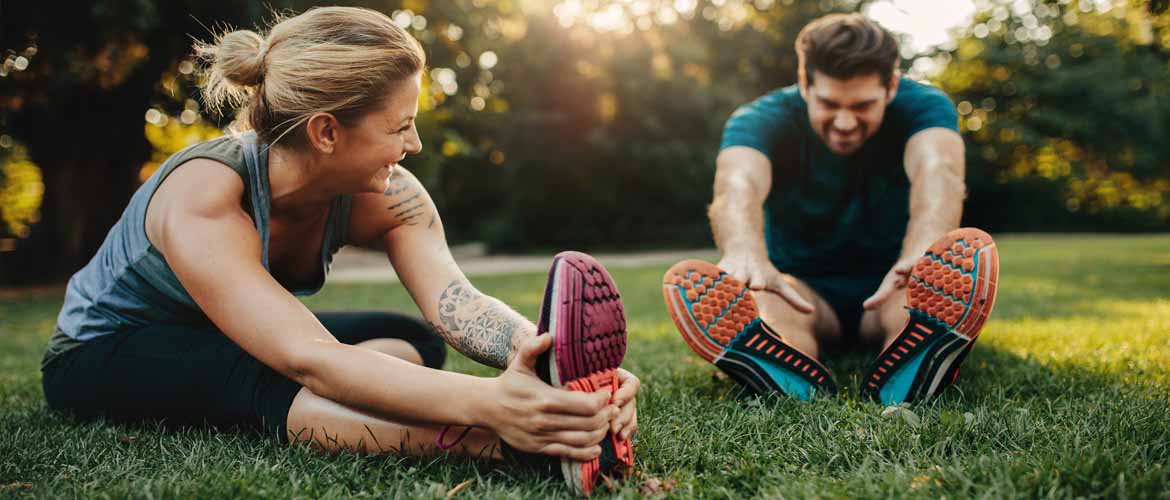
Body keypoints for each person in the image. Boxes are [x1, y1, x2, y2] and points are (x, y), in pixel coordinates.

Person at [39, 7, 637, 495]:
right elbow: (306, 355)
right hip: (107, 348)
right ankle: (503, 447)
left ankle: (338, 404)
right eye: (399, 126)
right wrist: (494, 406)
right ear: (326, 132)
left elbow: (456, 302)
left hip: (232, 337)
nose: (415, 142)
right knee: (269, 374)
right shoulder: (206, 193)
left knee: (413, 342)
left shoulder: (388, 193)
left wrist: (558, 370)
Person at [662, 13, 999, 404]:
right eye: (828, 103)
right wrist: (744, 253)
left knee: (914, 305)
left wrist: (922, 252)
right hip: (803, 291)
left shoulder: (924, 106)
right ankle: (788, 365)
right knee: (770, 303)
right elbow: (738, 183)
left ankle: (915, 356)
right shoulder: (759, 119)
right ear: (805, 84)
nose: (843, 121)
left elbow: (937, 169)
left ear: (891, 86)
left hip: (892, 282)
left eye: (861, 105)